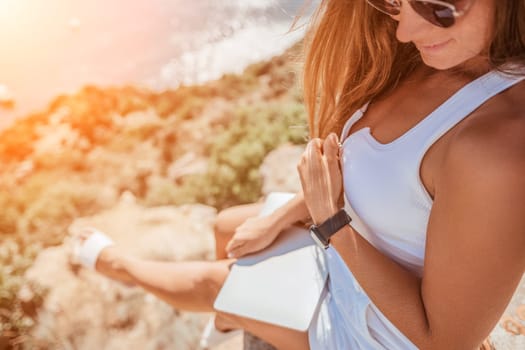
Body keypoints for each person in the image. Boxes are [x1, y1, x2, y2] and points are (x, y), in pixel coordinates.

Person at [71, 0, 525, 349]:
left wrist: (331, 224)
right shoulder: (445, 60)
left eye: (437, 7)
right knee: (228, 226)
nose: (405, 30)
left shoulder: (497, 154)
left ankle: (122, 268)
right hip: (353, 257)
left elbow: (444, 341)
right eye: (394, 3)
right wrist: (288, 213)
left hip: (381, 327)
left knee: (217, 282)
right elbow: (374, 175)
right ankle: (236, 316)